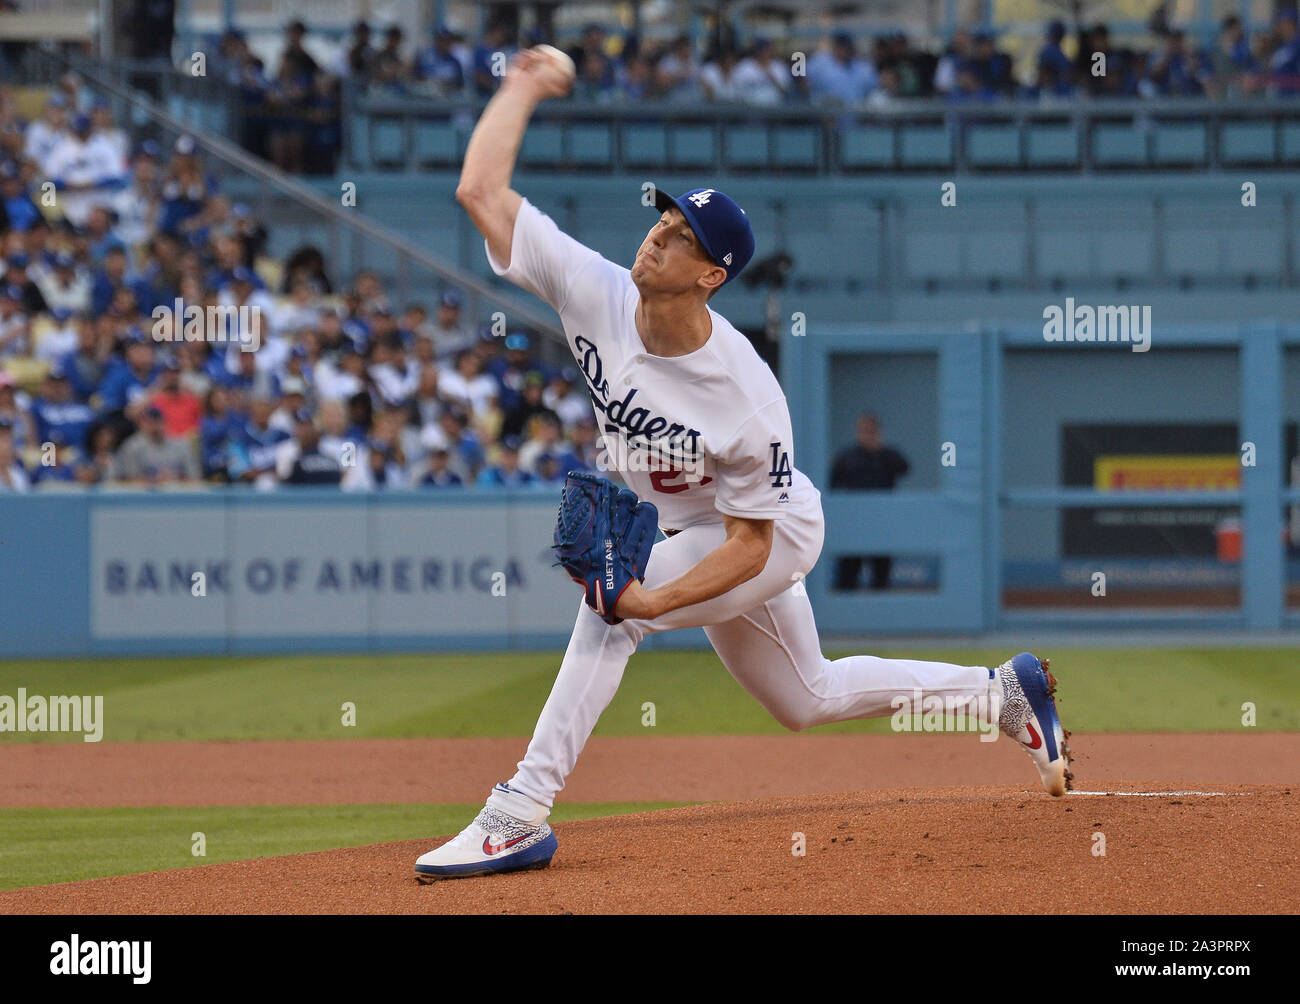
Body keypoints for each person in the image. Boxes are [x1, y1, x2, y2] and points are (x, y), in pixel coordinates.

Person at [413, 47, 1071, 882]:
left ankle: (519, 813)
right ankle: (1002, 695)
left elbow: (752, 549)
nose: (658, 233)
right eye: (663, 217)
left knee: (614, 611)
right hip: (696, 526)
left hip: (768, 532)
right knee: (807, 698)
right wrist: (523, 84)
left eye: (682, 236)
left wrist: (648, 597)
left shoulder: (746, 394)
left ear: (711, 276)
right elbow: (480, 191)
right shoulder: (596, 291)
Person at [830, 413, 910, 591]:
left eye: (872, 431)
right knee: (847, 577)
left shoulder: (889, 455)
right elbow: (832, 484)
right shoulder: (846, 457)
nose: (868, 435)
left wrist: (879, 450)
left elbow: (905, 468)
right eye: (864, 431)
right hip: (853, 525)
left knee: (881, 577)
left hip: (882, 524)